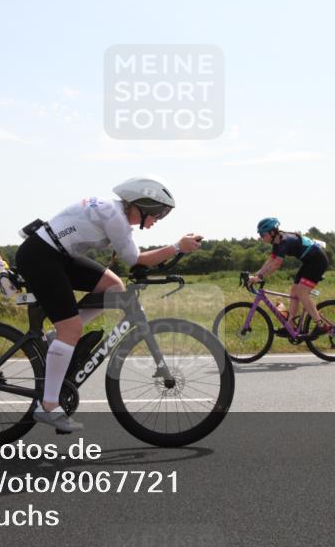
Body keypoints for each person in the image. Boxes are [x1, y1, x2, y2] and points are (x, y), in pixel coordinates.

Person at [14, 176, 203, 433]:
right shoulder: (115, 217)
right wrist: (178, 247)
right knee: (71, 330)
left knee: (112, 287)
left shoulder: (114, 212)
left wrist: (176, 248)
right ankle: (48, 405)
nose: (158, 219)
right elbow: (135, 260)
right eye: (158, 213)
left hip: (57, 254)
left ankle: (58, 338)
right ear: (142, 205)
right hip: (41, 256)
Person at [248, 217, 331, 338]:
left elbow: (276, 264)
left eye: (262, 234)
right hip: (309, 262)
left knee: (302, 293)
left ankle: (320, 325)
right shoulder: (277, 242)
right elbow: (270, 260)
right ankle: (290, 325)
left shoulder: (283, 242)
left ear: (272, 232)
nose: (261, 237)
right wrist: (257, 275)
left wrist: (260, 276)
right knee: (294, 291)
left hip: (317, 261)